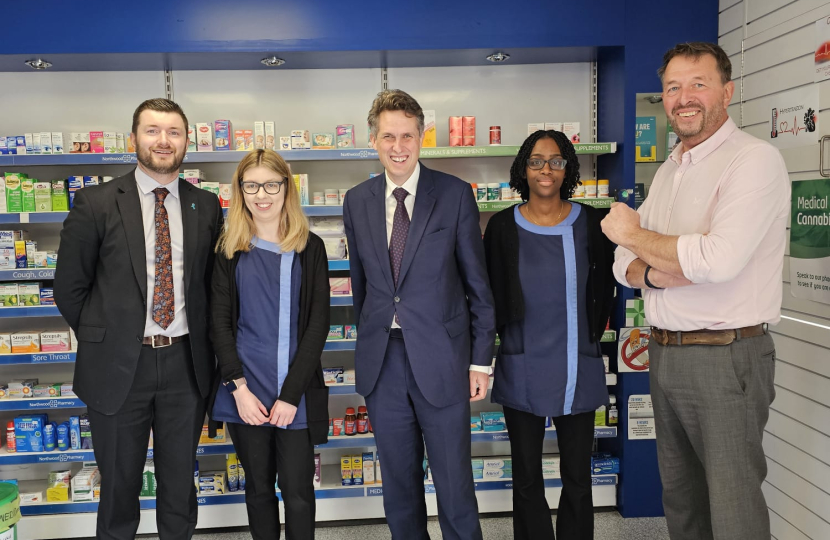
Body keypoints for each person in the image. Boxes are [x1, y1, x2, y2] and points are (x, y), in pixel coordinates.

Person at [603, 42, 789, 540]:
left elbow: (717, 260)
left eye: (698, 84)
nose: (684, 97)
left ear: (726, 91)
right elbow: (625, 267)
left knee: (732, 508)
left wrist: (635, 237)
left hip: (727, 356)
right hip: (665, 351)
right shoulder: (669, 170)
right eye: (673, 87)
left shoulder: (753, 161)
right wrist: (666, 266)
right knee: (682, 503)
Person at [54, 98, 224, 540]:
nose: (163, 141)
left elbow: (210, 288)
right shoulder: (95, 202)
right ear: (134, 138)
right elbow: (69, 288)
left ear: (187, 141)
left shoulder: (204, 206)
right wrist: (104, 339)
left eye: (173, 132)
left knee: (178, 488)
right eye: (152, 131)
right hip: (116, 367)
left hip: (185, 366)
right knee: (118, 487)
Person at [343, 89, 496, 540]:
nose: (398, 146)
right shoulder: (357, 200)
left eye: (407, 135)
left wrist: (479, 360)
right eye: (388, 136)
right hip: (383, 362)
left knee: (454, 484)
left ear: (421, 138)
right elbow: (362, 287)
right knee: (398, 488)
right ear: (373, 139)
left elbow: (478, 286)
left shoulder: (453, 195)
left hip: (443, 360)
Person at [483, 130, 615, 540]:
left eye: (556, 161)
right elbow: (489, 296)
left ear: (568, 169)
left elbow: (610, 283)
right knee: (525, 476)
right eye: (537, 161)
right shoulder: (502, 227)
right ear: (524, 168)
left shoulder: (593, 222)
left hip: (578, 361)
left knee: (577, 475)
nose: (546, 169)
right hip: (522, 362)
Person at [208, 149, 330, 540]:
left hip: (295, 392)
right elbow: (220, 326)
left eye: (271, 184)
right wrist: (238, 390)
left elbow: (317, 326)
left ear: (286, 188)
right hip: (246, 392)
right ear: (240, 191)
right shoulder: (228, 249)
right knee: (258, 490)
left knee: (297, 491)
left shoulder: (310, 248)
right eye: (252, 185)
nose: (262, 194)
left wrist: (291, 396)